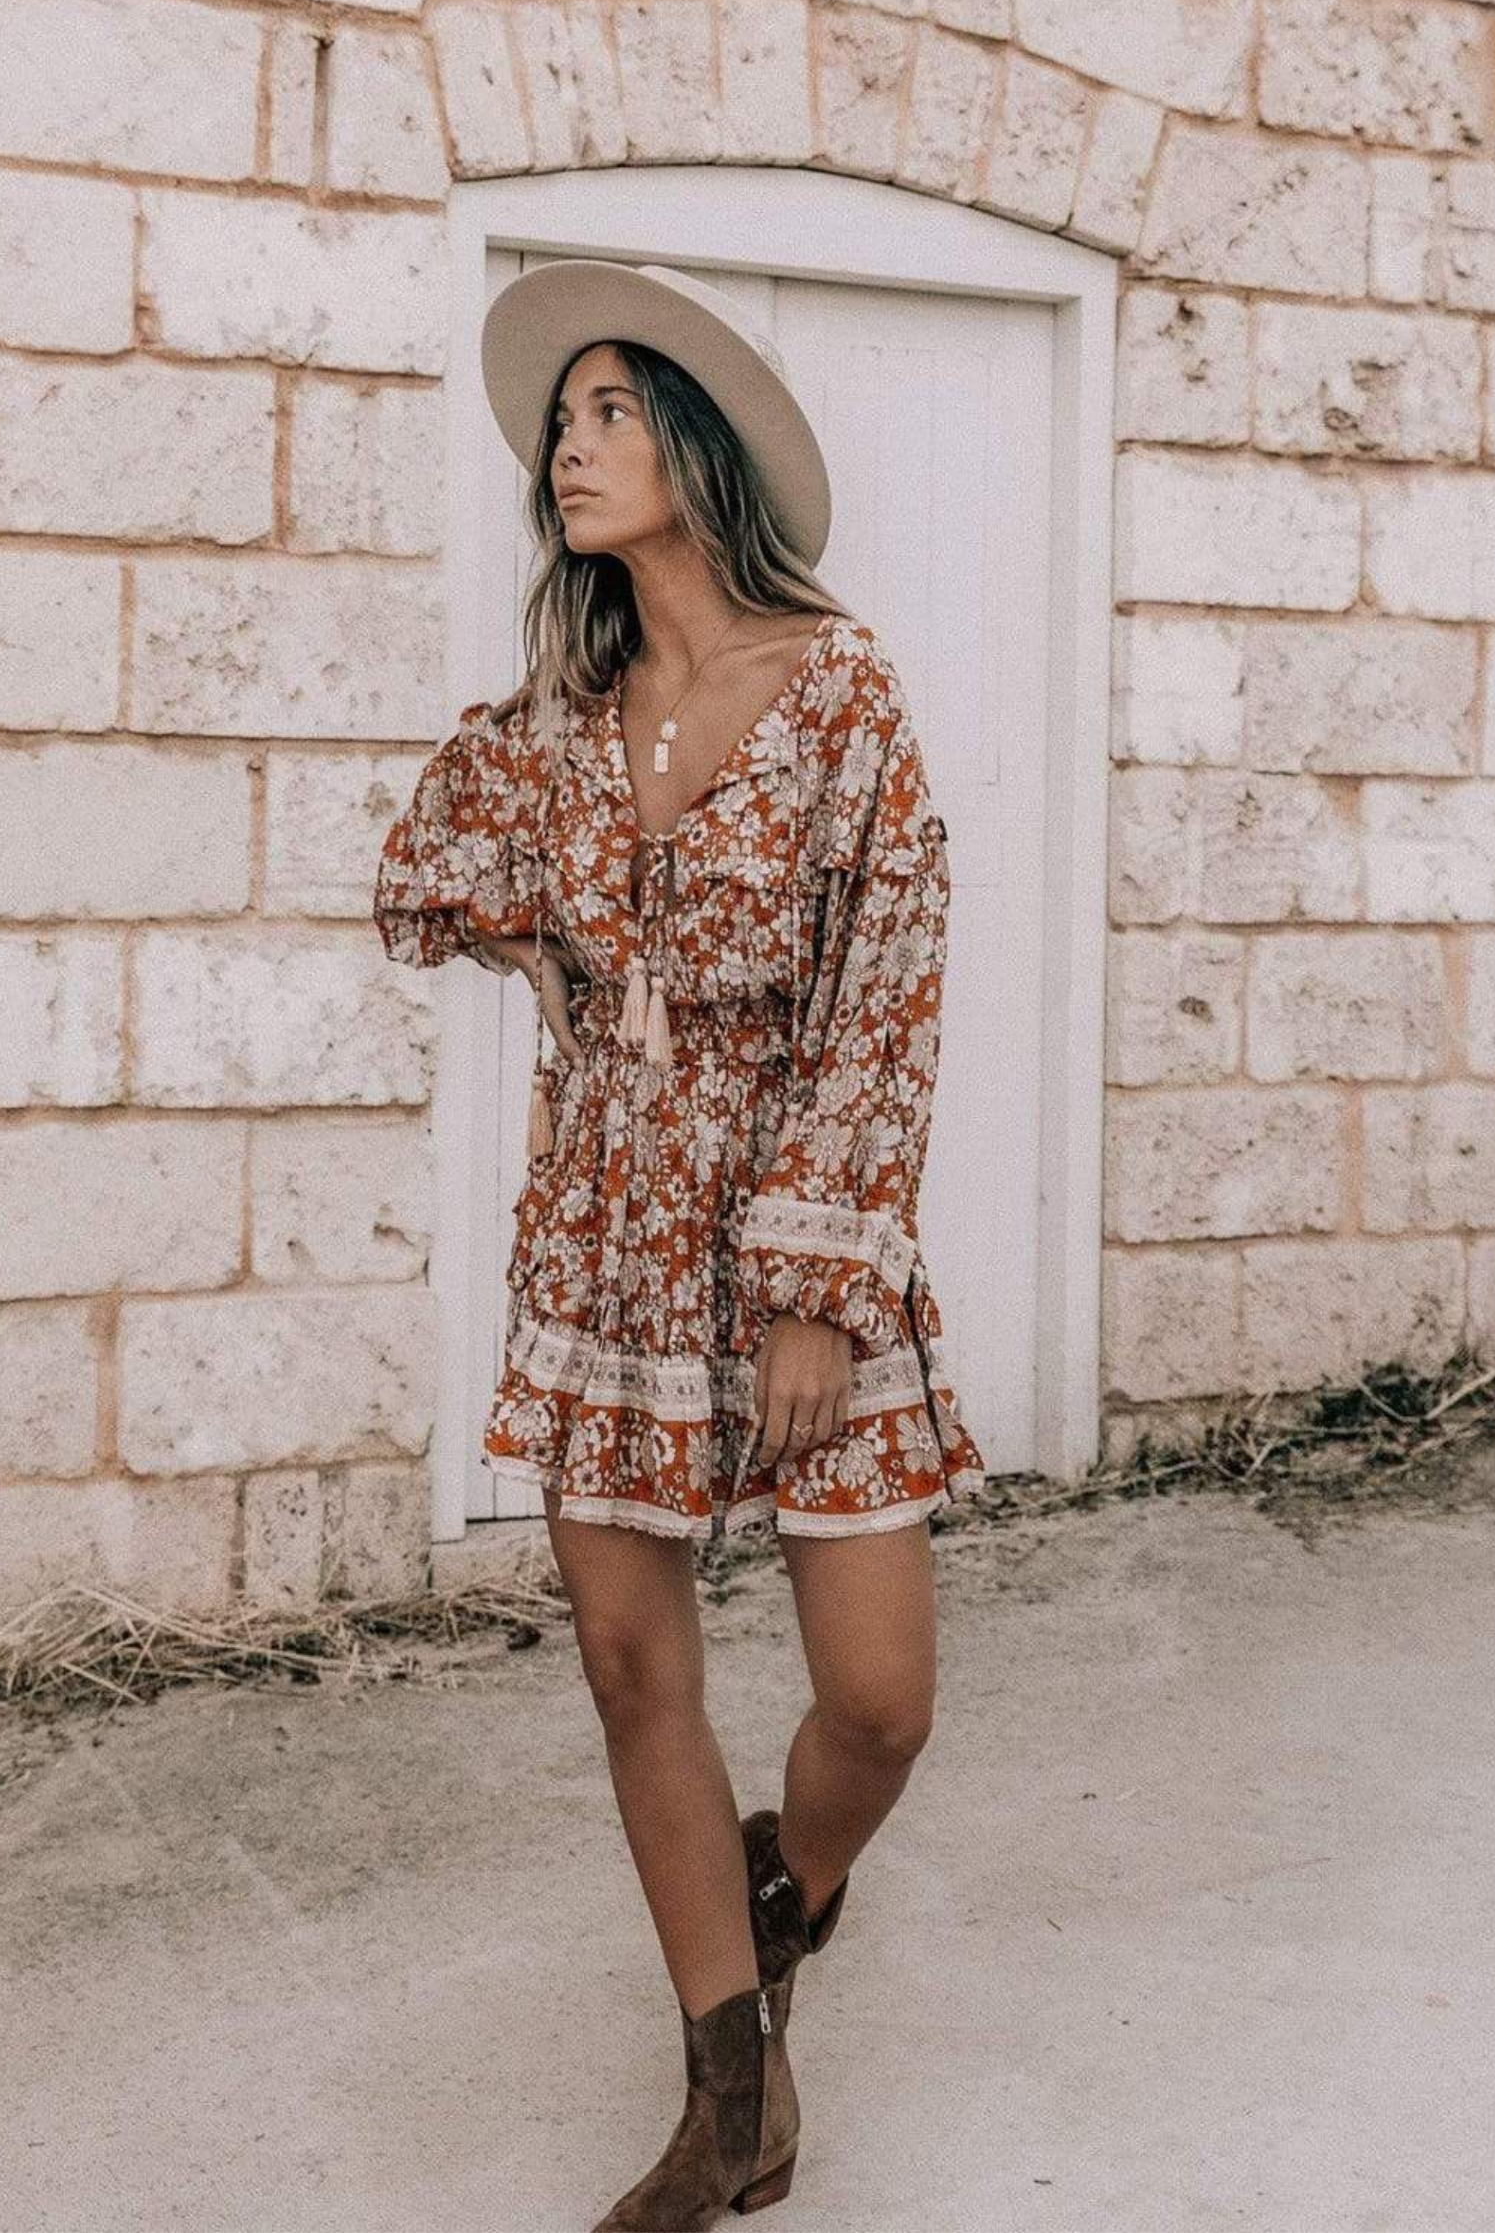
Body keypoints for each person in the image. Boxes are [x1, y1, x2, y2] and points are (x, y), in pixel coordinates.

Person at [374, 259, 988, 2229]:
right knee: (634, 1660)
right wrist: (550, 953)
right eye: (562, 421)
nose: (570, 448)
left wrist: (814, 1287)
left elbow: (885, 997)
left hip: (794, 1228)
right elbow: (422, 873)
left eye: (612, 412)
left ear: (698, 453)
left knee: (878, 1700)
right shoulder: (557, 721)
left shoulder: (840, 691)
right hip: (604, 1240)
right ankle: (731, 2099)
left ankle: (781, 1894)